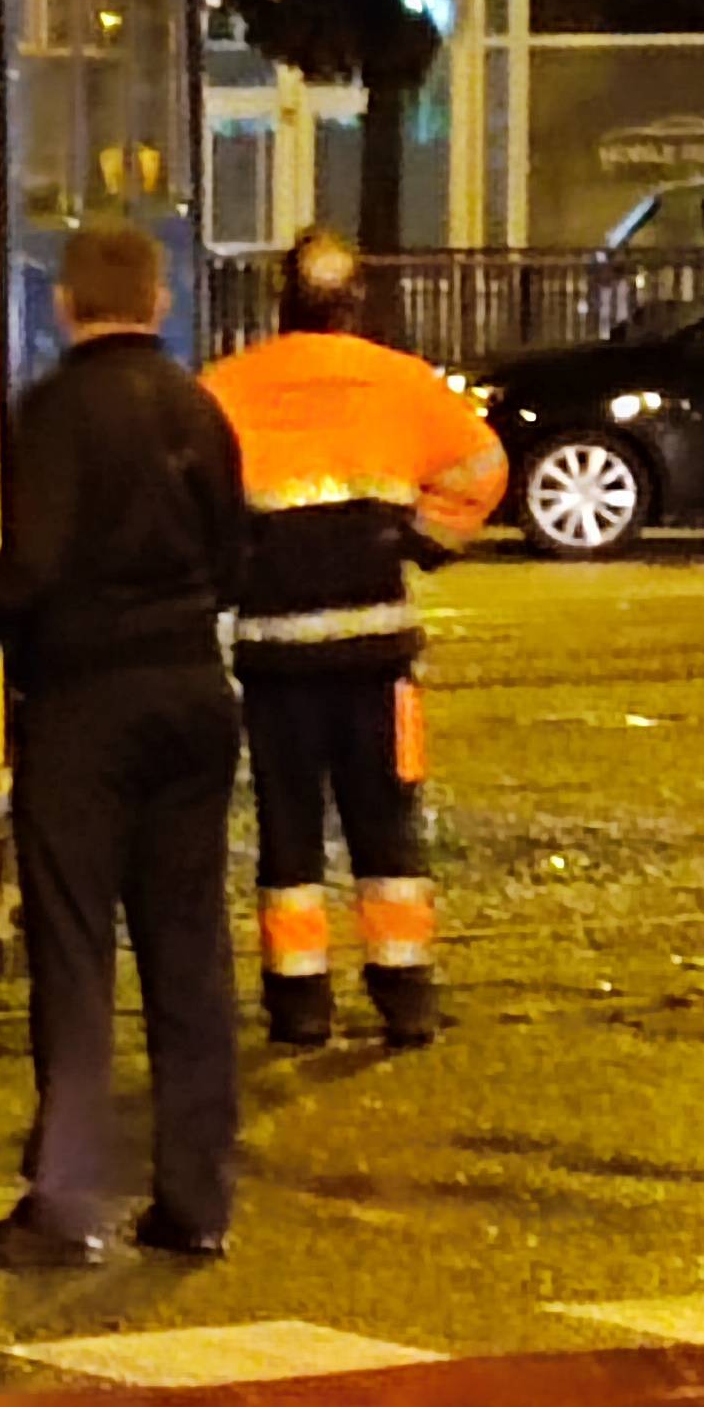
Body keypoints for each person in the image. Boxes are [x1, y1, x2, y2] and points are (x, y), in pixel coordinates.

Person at [0, 217, 245, 1274]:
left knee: (74, 954)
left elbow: (35, 562)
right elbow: (231, 553)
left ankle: (65, 1207)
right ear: (157, 304)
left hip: (87, 705)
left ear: (66, 306)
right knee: (190, 951)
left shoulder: (56, 411)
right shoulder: (199, 407)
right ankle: (195, 1201)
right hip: (195, 695)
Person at [203, 228, 507, 1051]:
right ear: (357, 301)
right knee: (388, 827)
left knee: (288, 833)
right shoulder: (403, 383)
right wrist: (423, 541)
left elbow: (191, 495)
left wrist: (233, 571)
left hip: (275, 657)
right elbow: (484, 469)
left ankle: (299, 1007)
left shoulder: (227, 388)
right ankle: (404, 997)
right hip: (379, 656)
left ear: (281, 300)